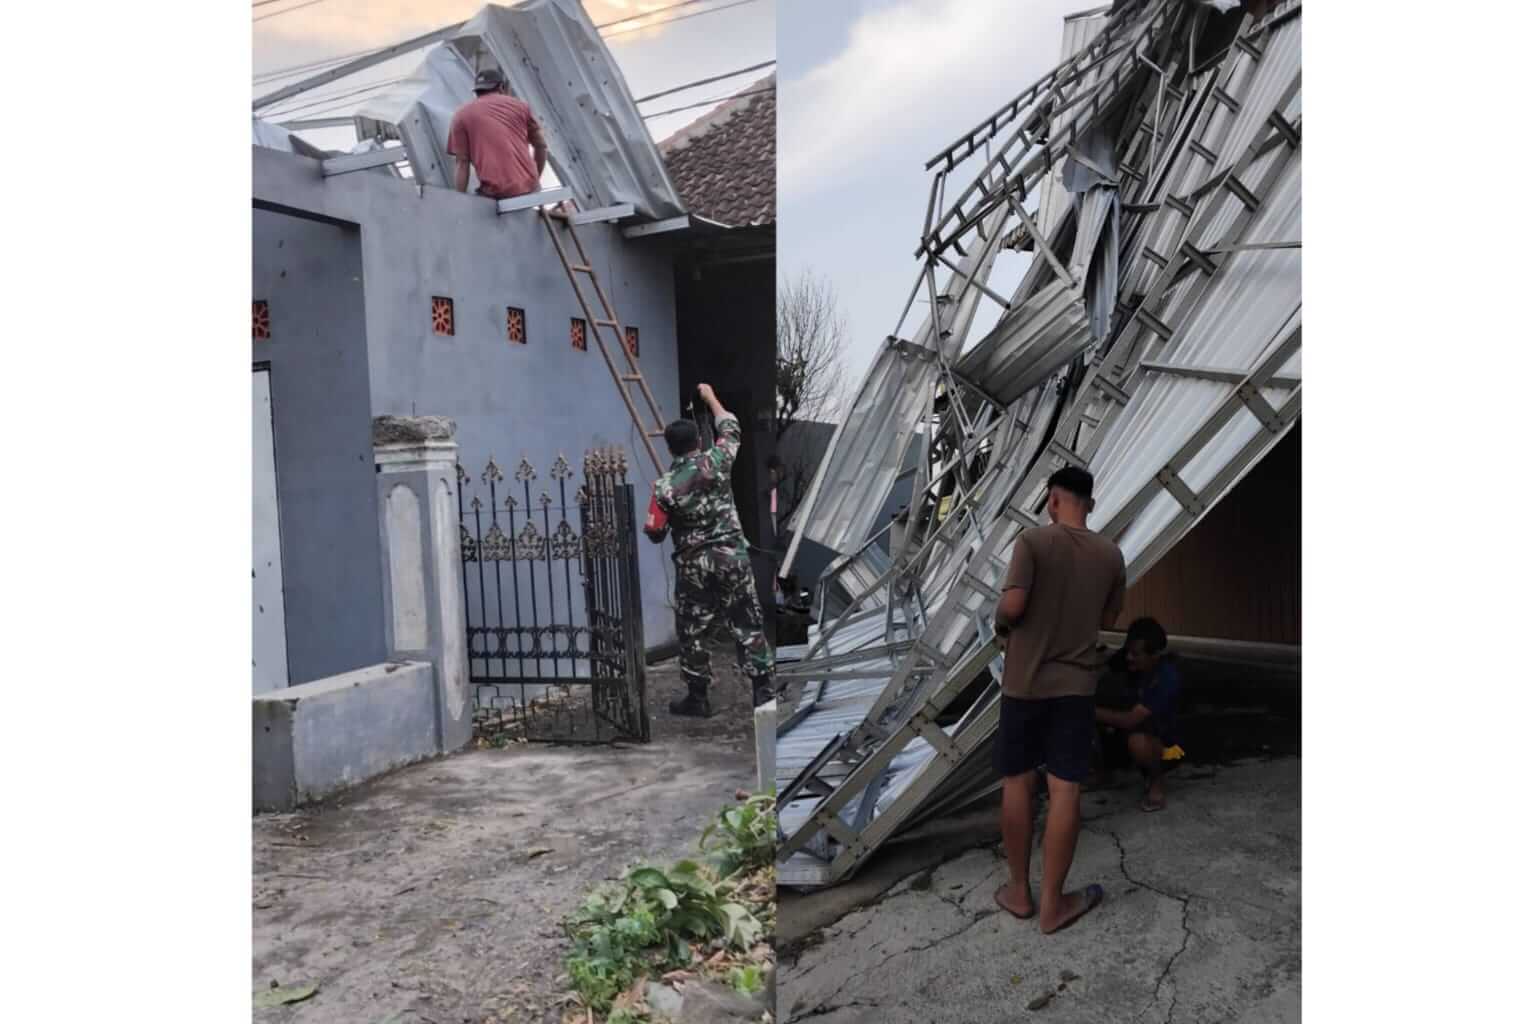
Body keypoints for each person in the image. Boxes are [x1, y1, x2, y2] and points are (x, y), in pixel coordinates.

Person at [992, 465, 1126, 934]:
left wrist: (999, 621)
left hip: (1023, 686)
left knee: (1017, 781)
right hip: (1076, 688)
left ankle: (1018, 892)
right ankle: (1054, 905)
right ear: (1089, 502)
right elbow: (1109, 618)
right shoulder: (1111, 554)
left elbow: (1012, 607)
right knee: (1065, 788)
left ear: (1052, 500)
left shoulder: (1032, 542)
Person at [644, 383, 775, 715]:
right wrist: (710, 396)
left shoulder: (664, 487)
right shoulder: (717, 460)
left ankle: (698, 697)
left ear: (671, 449)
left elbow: (655, 531)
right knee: (747, 621)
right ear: (698, 442)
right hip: (732, 557)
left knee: (693, 629)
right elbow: (730, 426)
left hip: (693, 566)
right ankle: (762, 692)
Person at [1095, 617, 1183, 812]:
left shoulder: (1167, 678)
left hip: (1170, 747)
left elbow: (1129, 720)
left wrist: (1087, 711)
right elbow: (1097, 671)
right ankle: (1107, 773)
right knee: (1097, 709)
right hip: (1139, 725)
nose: (1129, 658)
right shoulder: (1128, 658)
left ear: (1155, 655)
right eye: (1127, 651)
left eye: (1136, 654)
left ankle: (1156, 782)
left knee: (1138, 742)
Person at [446, 67, 548, 200]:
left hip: (496, 193)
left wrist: (460, 200)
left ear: (477, 91)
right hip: (529, 189)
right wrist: (535, 182)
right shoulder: (521, 107)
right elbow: (541, 146)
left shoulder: (461, 115)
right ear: (501, 87)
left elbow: (462, 162)